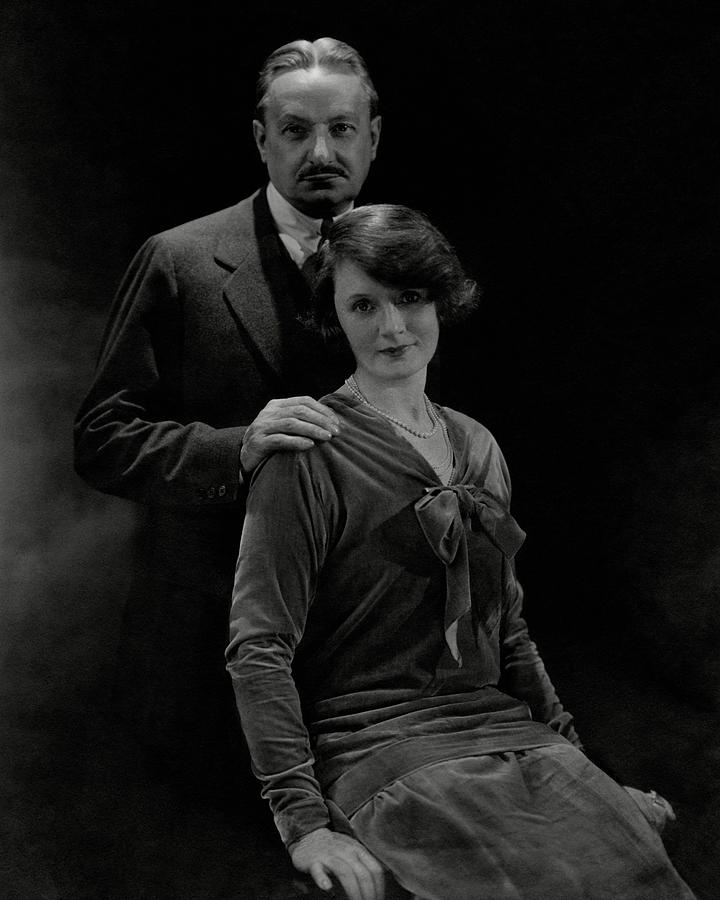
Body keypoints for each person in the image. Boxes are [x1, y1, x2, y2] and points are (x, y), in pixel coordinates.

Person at [226, 205, 696, 900]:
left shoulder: (477, 445)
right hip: (381, 746)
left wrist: (584, 763)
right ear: (336, 316)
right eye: (364, 304)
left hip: (507, 734)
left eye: (410, 298)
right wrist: (303, 824)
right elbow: (258, 646)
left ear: (441, 297)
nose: (391, 327)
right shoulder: (308, 455)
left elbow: (508, 630)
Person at [73, 37, 381, 787]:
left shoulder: (408, 267)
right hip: (207, 665)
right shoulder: (178, 260)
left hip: (370, 669)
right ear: (260, 139)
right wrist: (237, 448)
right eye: (295, 130)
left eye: (341, 129)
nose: (320, 151)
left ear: (373, 136)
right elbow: (103, 439)